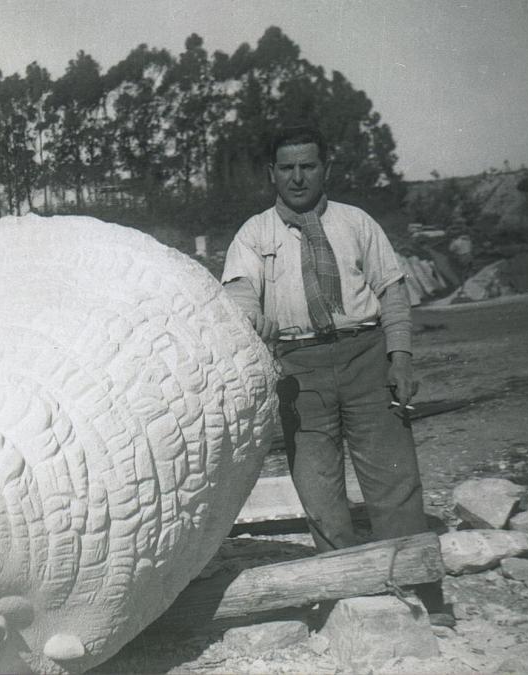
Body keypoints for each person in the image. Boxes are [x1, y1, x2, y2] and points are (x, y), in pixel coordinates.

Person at [221, 126, 448, 620]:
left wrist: (401, 358)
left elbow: (392, 293)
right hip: (298, 372)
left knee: (394, 479)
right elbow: (239, 293)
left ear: (326, 169)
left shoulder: (357, 223)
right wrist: (252, 317)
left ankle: (424, 590)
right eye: (287, 167)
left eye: (308, 166)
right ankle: (352, 596)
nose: (298, 177)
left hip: (366, 356)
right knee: (318, 489)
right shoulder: (254, 234)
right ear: (272, 174)